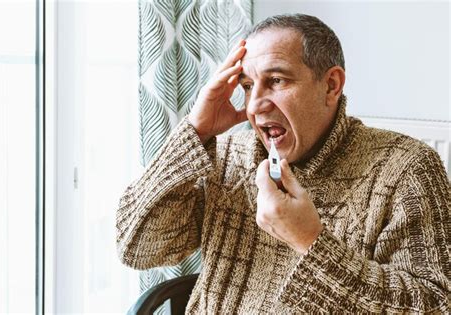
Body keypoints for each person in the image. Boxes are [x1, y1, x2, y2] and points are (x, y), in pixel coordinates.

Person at [116, 14, 450, 313]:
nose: (256, 104)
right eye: (247, 86)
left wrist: (310, 241)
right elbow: (138, 248)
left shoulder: (407, 168)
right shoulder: (227, 155)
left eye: (277, 81)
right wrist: (194, 132)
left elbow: (435, 304)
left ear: (331, 85)